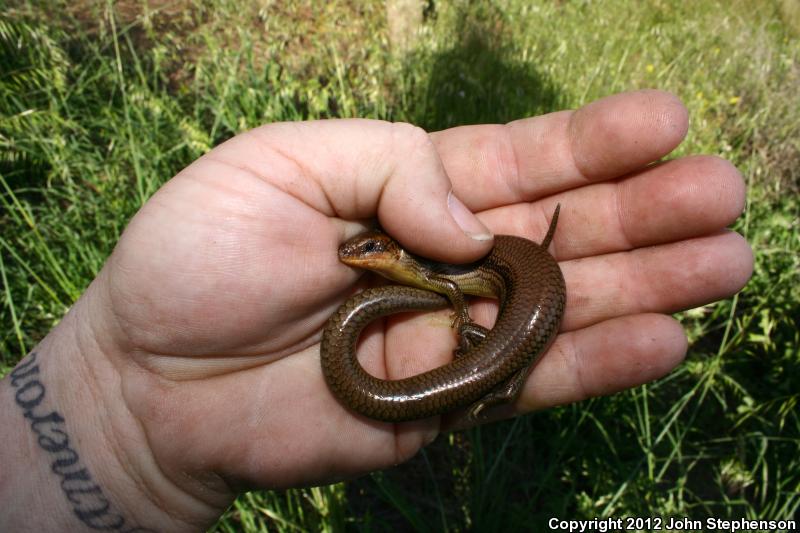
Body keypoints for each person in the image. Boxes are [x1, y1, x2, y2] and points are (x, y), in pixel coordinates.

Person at [0, 90, 753, 531]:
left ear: (385, 250)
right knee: (493, 364)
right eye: (361, 256)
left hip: (513, 313)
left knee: (494, 360)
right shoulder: (427, 271)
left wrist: (468, 327)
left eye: (364, 252)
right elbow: (454, 286)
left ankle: (488, 366)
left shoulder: (432, 266)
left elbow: (455, 285)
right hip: (508, 318)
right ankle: (488, 367)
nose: (352, 258)